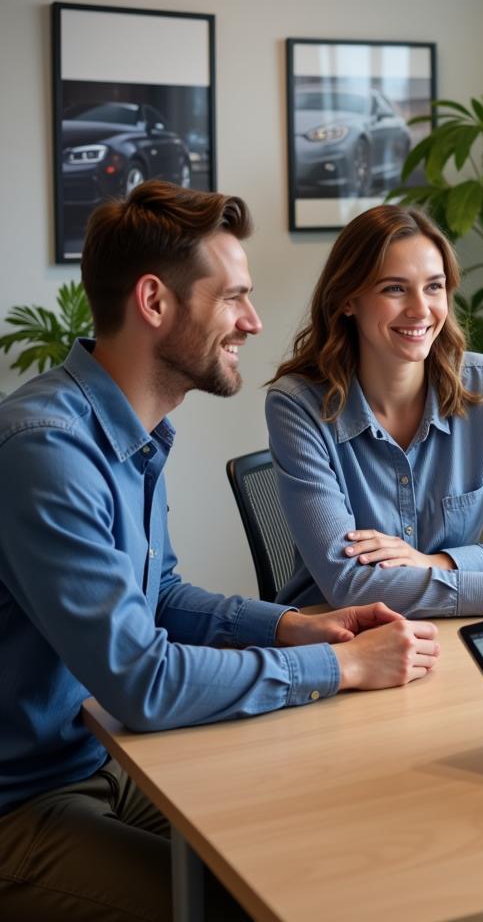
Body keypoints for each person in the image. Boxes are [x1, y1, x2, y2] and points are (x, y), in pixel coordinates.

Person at [0, 181, 440, 921]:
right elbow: (143, 681)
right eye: (233, 297)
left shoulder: (125, 431)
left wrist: (289, 625)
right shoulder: (48, 450)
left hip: (99, 758)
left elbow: (160, 595)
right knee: (243, 904)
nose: (253, 320)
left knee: (303, 842)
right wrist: (339, 667)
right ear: (155, 302)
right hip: (21, 804)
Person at [265, 204, 483, 617]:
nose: (420, 309)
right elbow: (349, 584)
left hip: (451, 633)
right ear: (348, 300)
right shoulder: (298, 405)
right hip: (337, 635)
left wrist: (442, 563)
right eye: (394, 288)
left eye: (434, 287)